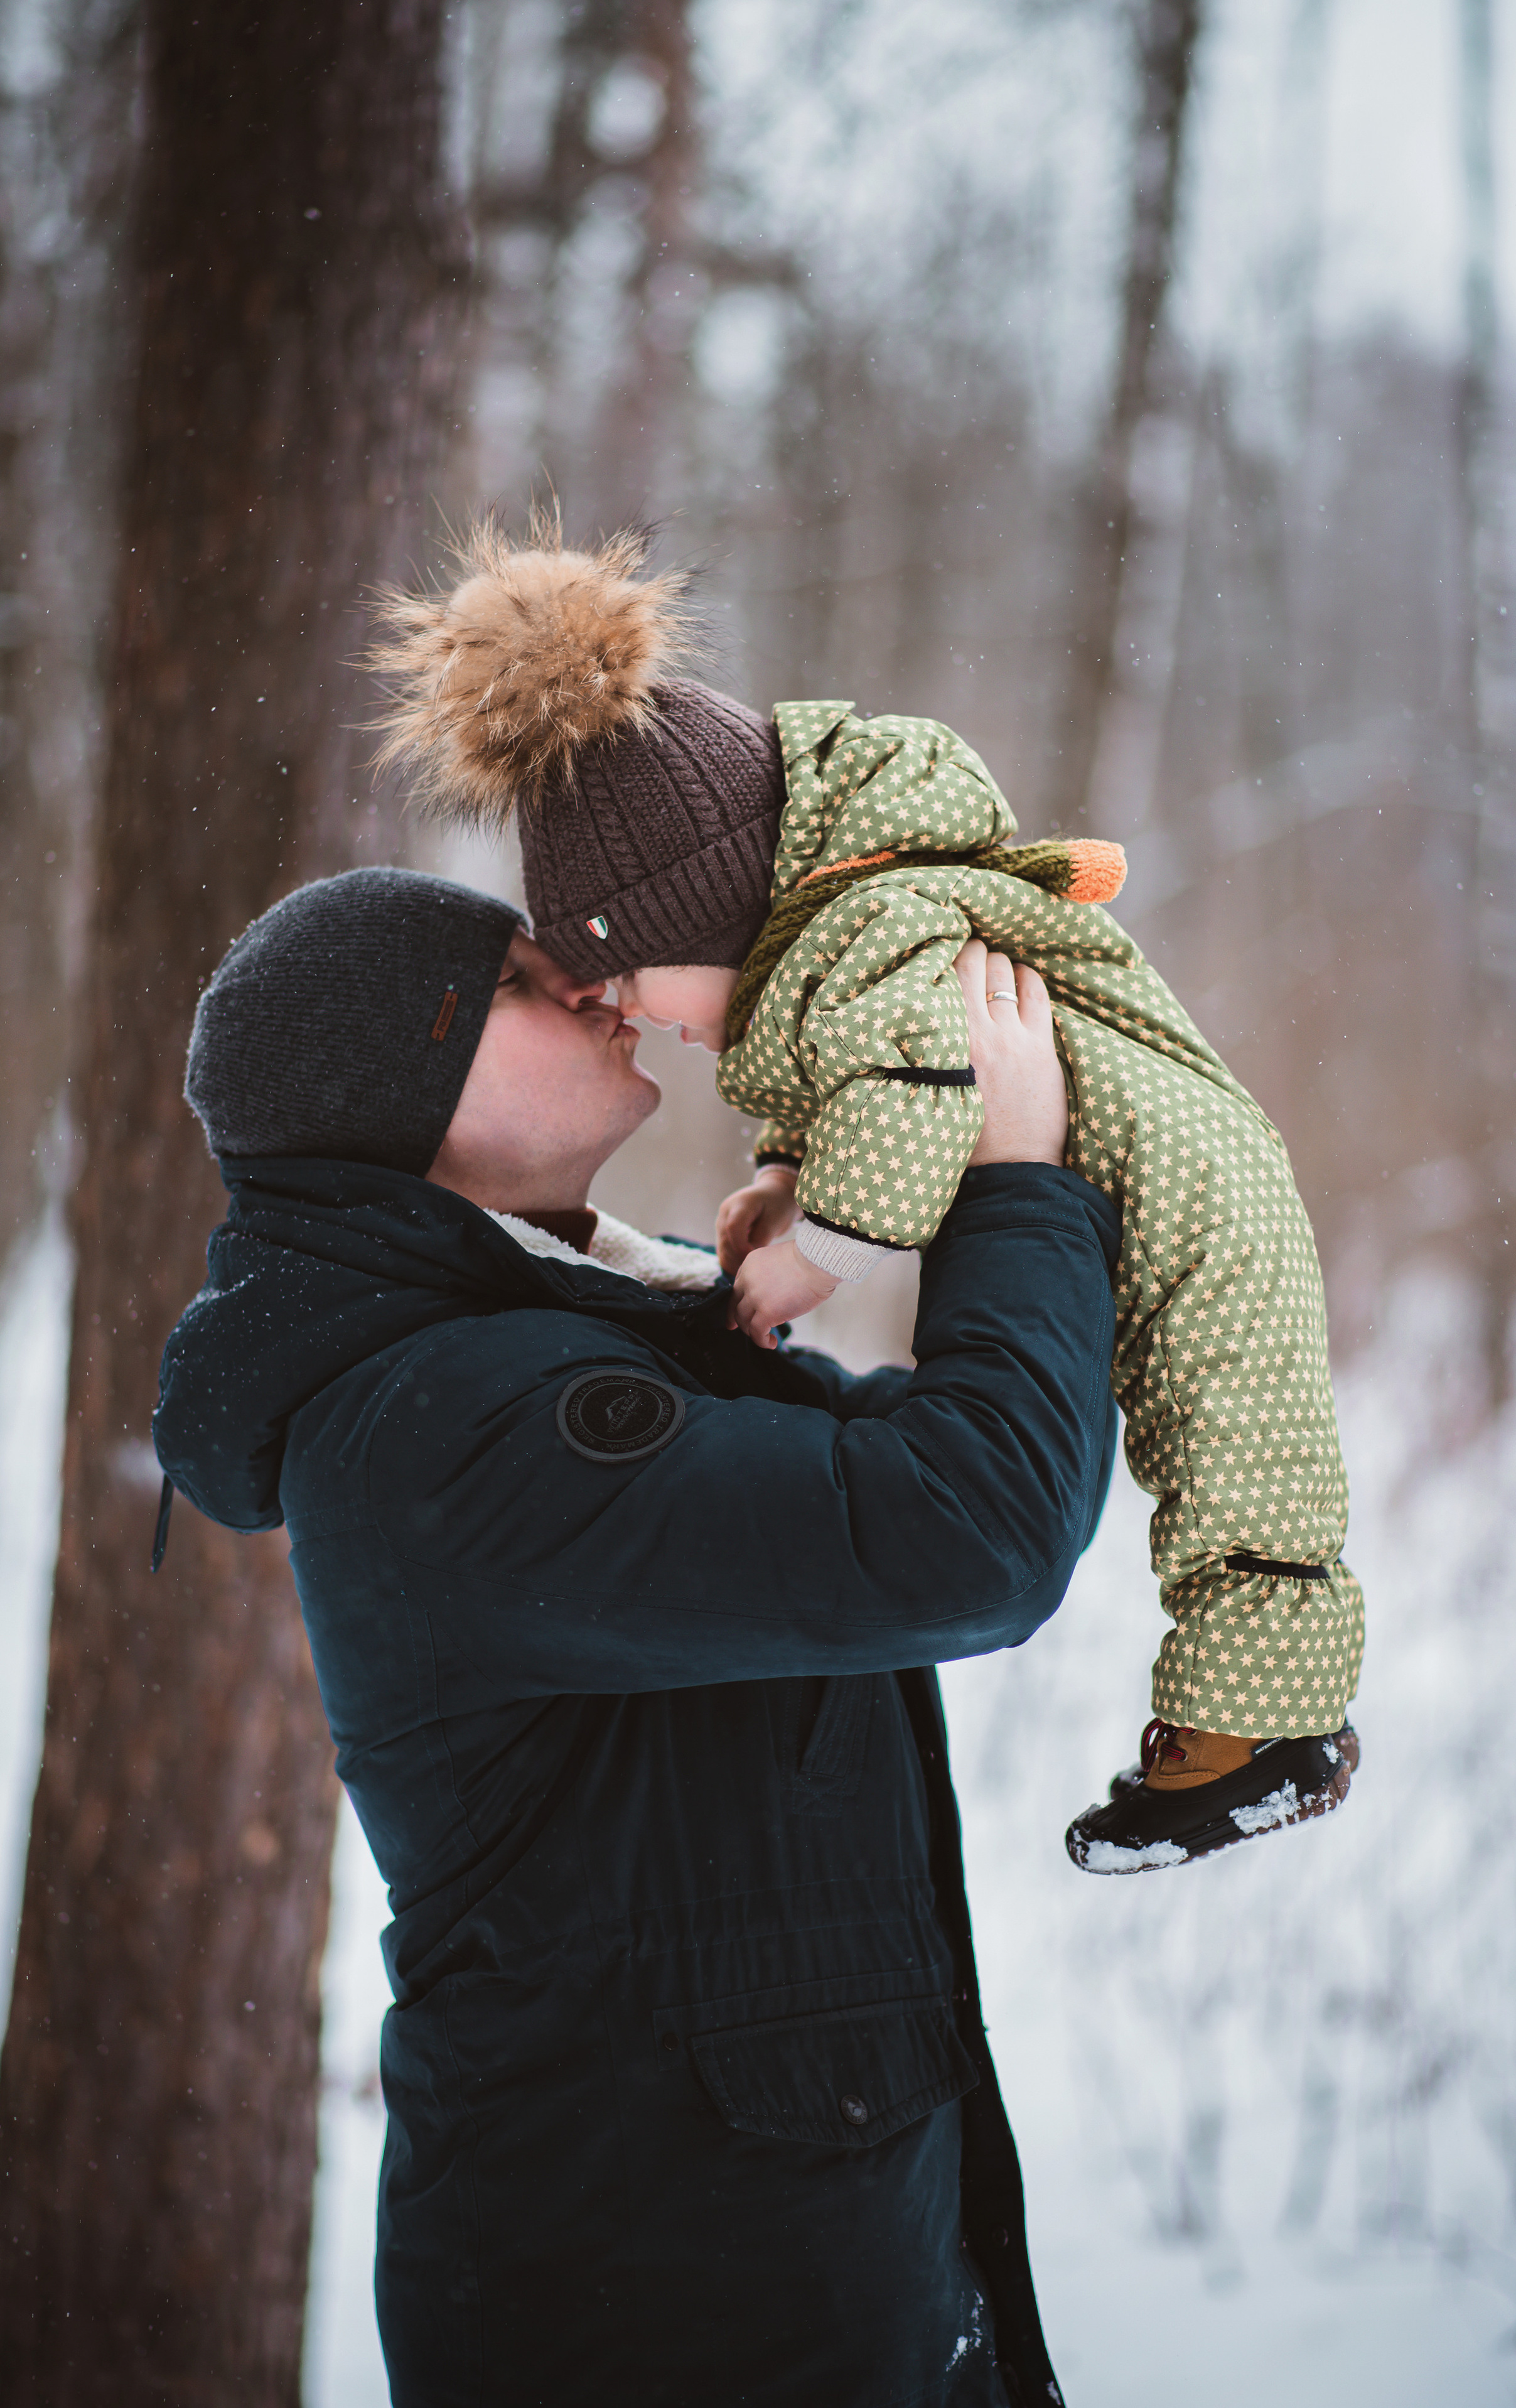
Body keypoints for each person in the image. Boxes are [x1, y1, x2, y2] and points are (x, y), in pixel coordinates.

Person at [153, 864, 1120, 2407]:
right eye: (529, 984)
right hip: (662, 2314)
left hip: (788, 2280)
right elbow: (968, 1526)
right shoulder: (440, 1427)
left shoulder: (565, 1342)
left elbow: (921, 1481)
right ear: (401, 1086)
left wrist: (844, 1209)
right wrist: (1014, 1181)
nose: (601, 986)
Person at [367, 519, 1363, 1872]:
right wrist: (785, 1176)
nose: (636, 1019)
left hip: (1187, 1184)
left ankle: (1268, 1730)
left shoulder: (863, 932)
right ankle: (1246, 1719)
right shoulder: (836, 949)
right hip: (1140, 1175)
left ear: (704, 915)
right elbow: (863, 1080)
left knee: (1232, 1442)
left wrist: (808, 1259)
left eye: (632, 982)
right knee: (1214, 1439)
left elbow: (908, 1094)